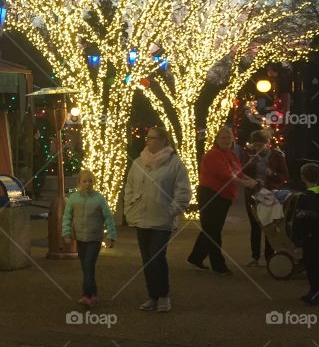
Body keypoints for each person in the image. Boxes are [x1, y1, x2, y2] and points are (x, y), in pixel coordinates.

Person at [124, 125, 192, 312]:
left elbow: (183, 190)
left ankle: (163, 295)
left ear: (163, 141)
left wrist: (172, 211)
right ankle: (152, 296)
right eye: (147, 137)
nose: (148, 140)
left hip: (162, 219)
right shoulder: (138, 162)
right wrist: (129, 207)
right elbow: (129, 187)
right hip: (141, 217)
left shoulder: (174, 164)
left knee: (157, 257)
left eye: (152, 138)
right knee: (147, 259)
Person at [188, 127, 255, 275]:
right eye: (223, 138)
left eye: (229, 137)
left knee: (211, 230)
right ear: (217, 140)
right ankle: (218, 265)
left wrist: (250, 180)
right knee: (213, 231)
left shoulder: (231, 155)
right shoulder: (212, 155)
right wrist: (245, 183)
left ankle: (195, 257)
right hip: (211, 195)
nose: (226, 140)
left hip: (223, 196)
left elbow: (238, 172)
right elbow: (224, 175)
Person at [62, 169, 116, 307]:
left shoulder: (99, 198)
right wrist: (67, 233)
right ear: (79, 182)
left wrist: (111, 235)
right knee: (86, 267)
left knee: (88, 265)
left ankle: (88, 295)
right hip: (80, 238)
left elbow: (108, 217)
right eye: (84, 181)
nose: (88, 184)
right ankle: (93, 294)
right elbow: (67, 216)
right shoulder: (73, 198)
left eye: (90, 181)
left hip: (94, 238)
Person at [242, 130, 288, 266]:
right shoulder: (249, 156)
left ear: (268, 143)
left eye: (261, 145)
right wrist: (250, 163)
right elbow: (241, 171)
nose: (258, 148)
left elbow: (285, 175)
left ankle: (270, 256)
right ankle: (255, 257)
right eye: (255, 145)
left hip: (270, 194)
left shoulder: (277, 155)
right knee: (255, 226)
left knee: (270, 225)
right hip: (252, 195)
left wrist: (272, 173)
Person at [291, 163, 319, 306]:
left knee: (312, 265)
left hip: (310, 235)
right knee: (314, 263)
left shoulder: (306, 197)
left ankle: (315, 293)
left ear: (303, 177)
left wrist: (298, 238)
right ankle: (315, 291)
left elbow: (304, 218)